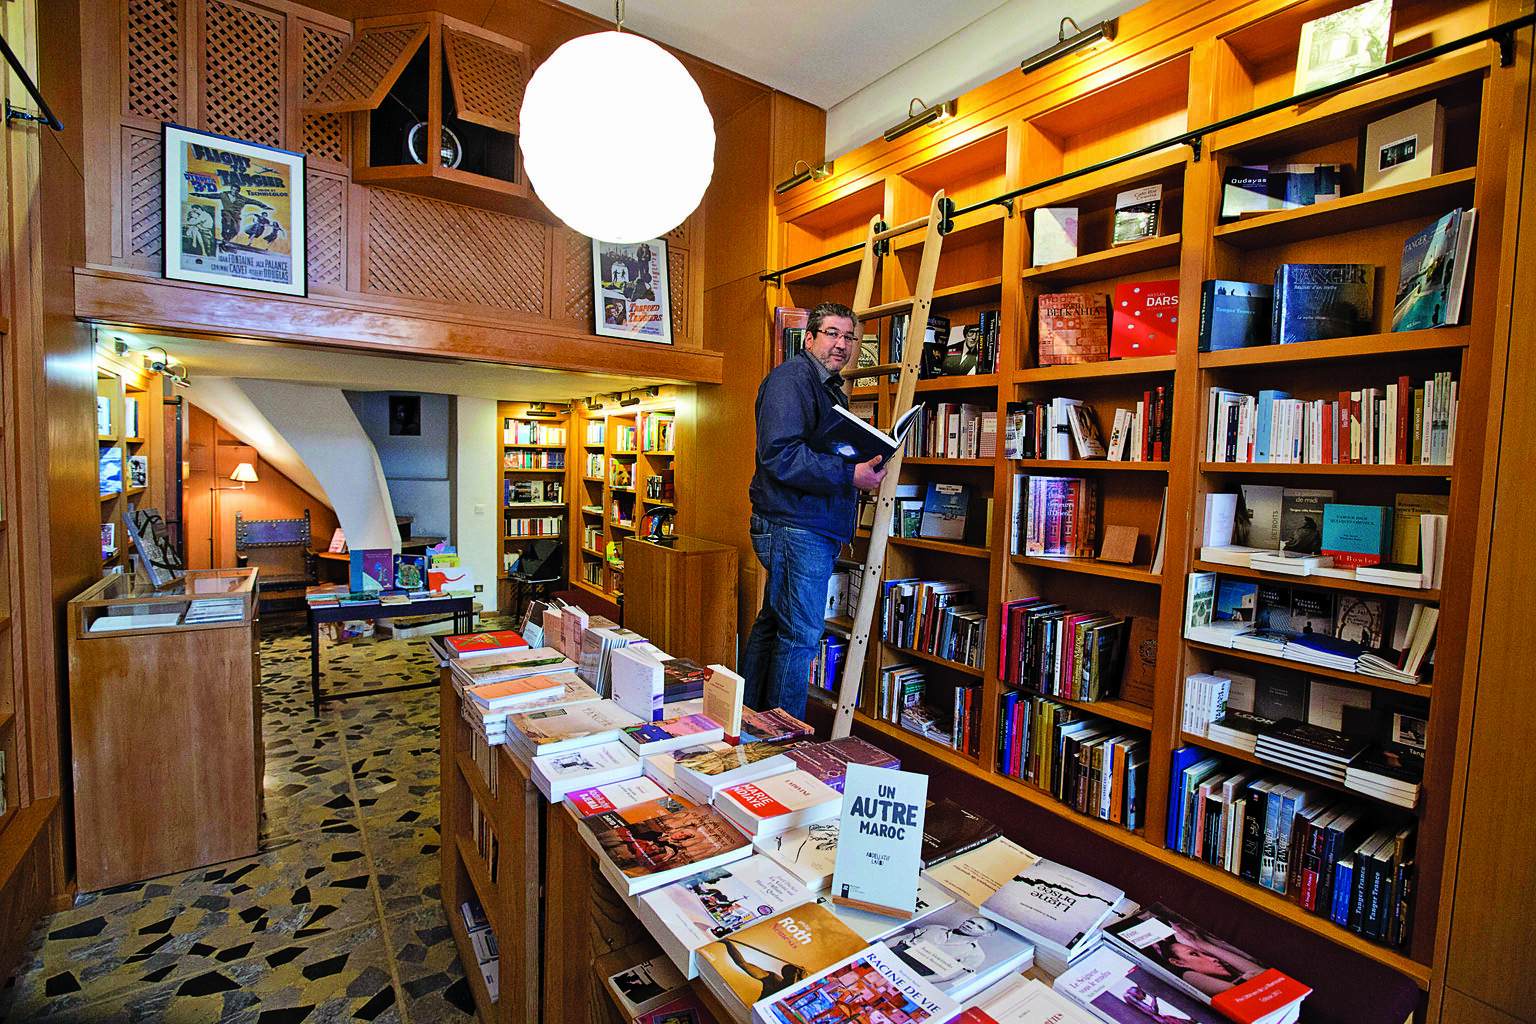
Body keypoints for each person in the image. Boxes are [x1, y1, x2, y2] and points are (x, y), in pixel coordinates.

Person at [742, 302, 886, 719]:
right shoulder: (791, 380)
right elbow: (779, 455)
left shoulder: (825, 385)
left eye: (849, 337)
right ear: (809, 338)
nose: (841, 344)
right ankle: (783, 737)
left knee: (776, 625)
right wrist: (849, 474)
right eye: (831, 334)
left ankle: (750, 719)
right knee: (801, 635)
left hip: (803, 523)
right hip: (794, 526)